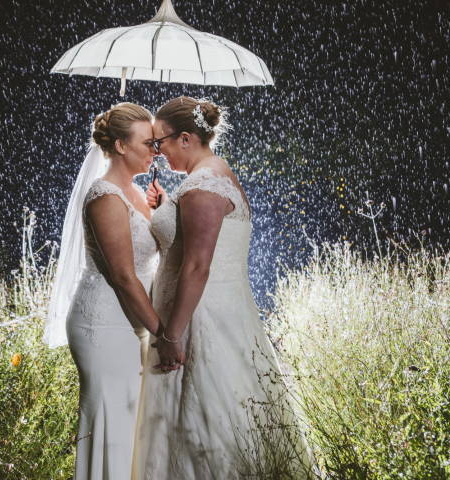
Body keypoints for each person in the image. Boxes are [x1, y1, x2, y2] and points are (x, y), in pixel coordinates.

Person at [131, 97, 315, 479]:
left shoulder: (201, 186)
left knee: (202, 418)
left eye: (160, 142)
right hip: (224, 311)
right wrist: (166, 206)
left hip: (198, 318)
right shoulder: (213, 176)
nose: (157, 151)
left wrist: (172, 334)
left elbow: (198, 266)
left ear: (185, 138)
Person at [42, 103, 161, 479]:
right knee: (113, 425)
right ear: (122, 146)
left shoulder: (135, 193)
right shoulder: (105, 196)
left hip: (132, 319)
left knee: (133, 426)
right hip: (105, 324)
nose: (156, 150)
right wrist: (164, 332)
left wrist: (159, 214)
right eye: (148, 142)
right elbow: (124, 276)